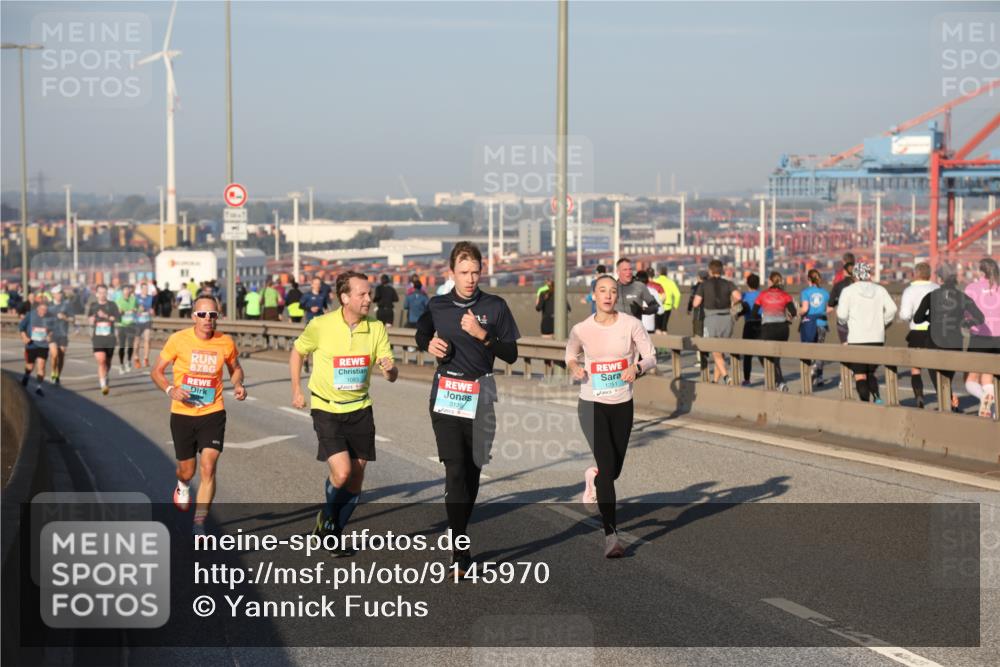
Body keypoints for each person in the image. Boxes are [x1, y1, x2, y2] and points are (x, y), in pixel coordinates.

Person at [415, 242, 520, 577]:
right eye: (464, 272)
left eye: (475, 272)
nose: (470, 278)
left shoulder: (495, 306)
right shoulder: (439, 305)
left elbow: (512, 354)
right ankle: (460, 546)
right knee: (456, 468)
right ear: (451, 274)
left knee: (473, 472)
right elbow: (421, 333)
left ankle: (458, 528)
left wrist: (482, 334)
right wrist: (427, 343)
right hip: (446, 392)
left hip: (482, 392)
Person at [290, 271, 397, 552]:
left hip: (360, 408)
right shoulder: (321, 325)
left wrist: (390, 370)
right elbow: (298, 351)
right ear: (345, 297)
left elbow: (390, 369)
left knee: (357, 477)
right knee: (342, 473)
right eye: (362, 294)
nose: (368, 298)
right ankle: (328, 522)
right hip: (327, 408)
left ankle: (331, 528)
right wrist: (296, 390)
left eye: (369, 293)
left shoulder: (376, 328)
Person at [566, 274, 656, 558]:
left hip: (622, 403)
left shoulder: (631, 324)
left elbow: (651, 356)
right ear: (594, 295)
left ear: (617, 296)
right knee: (608, 468)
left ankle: (593, 476)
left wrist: (637, 369)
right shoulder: (582, 328)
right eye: (602, 290)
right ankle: (611, 536)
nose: (608, 295)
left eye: (613, 291)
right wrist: (575, 368)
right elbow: (569, 354)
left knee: (612, 471)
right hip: (591, 403)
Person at [151, 295, 247, 536]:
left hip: (212, 412)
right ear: (193, 316)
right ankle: (182, 485)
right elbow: (157, 371)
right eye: (202, 314)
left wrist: (238, 384)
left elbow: (236, 369)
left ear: (217, 317)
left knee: (208, 466)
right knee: (187, 470)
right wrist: (171, 389)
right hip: (183, 413)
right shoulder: (178, 340)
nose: (207, 319)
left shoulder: (225, 342)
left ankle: (200, 521)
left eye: (212, 315)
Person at [913, 263, 984, 414]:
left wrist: (930, 316)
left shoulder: (931, 296)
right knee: (947, 378)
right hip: (954, 343)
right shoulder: (962, 296)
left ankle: (948, 405)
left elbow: (917, 319)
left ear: (940, 279)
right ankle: (950, 404)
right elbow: (980, 317)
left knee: (937, 379)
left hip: (934, 342)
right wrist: (966, 322)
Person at [835, 262, 897, 403]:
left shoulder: (848, 291)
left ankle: (866, 404)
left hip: (857, 339)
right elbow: (892, 309)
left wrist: (845, 322)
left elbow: (841, 315)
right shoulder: (880, 290)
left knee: (860, 375)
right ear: (869, 274)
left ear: (854, 275)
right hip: (877, 338)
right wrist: (883, 322)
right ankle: (877, 397)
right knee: (870, 372)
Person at [691, 260, 741, 384]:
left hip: (711, 319)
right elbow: (738, 296)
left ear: (710, 271)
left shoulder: (704, 285)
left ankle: (726, 376)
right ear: (721, 270)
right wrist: (732, 303)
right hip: (727, 319)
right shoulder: (728, 283)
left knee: (715, 351)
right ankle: (714, 381)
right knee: (720, 351)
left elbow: (696, 303)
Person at [898, 262, 939, 409]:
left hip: (917, 332)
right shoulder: (937, 288)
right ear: (929, 274)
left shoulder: (909, 290)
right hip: (936, 333)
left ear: (916, 274)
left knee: (916, 369)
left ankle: (919, 397)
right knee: (937, 368)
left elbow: (905, 314)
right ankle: (945, 397)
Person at [964, 257, 1000, 418]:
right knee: (988, 375)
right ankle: (992, 411)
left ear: (981, 271)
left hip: (980, 336)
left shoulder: (972, 288)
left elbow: (965, 313)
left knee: (971, 378)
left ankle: (985, 398)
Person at [754, 271, 796, 392]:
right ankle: (779, 381)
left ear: (771, 281)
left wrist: (764, 316)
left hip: (768, 328)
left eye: (768, 280)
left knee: (762, 354)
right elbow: (793, 312)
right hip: (783, 329)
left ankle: (779, 381)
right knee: (776, 357)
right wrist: (787, 318)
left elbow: (754, 312)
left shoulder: (762, 295)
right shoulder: (785, 295)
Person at [799, 269, 831, 387]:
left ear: (809, 279)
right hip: (822, 324)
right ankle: (820, 376)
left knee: (809, 349)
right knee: (820, 350)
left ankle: (812, 369)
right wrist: (821, 312)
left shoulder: (805, 292)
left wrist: (798, 312)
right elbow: (830, 309)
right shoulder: (825, 293)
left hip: (809, 324)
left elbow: (805, 309)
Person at [87, 284, 120, 395]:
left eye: (104, 293)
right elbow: (90, 320)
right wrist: (91, 320)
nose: (102, 295)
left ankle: (105, 375)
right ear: (96, 294)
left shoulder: (112, 305)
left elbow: (118, 318)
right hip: (98, 338)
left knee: (108, 362)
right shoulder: (93, 306)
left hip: (110, 338)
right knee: (101, 361)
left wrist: (106, 316)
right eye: (100, 293)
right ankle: (103, 385)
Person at [19, 299, 56, 396]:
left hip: (43, 345)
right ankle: (26, 375)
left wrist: (50, 335)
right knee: (30, 366)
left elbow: (53, 329)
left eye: (45, 310)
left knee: (41, 365)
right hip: (31, 344)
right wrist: (24, 337)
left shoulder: (50, 317)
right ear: (38, 308)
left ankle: (39, 387)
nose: (44, 312)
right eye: (42, 309)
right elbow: (21, 327)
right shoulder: (31, 315)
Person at [737, 273, 762, 386]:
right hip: (761, 324)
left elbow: (738, 307)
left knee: (748, 355)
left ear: (747, 284)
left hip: (749, 325)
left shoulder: (744, 295)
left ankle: (747, 379)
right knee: (763, 353)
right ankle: (774, 377)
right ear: (758, 284)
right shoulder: (762, 295)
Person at [48, 286, 71, 384]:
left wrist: (65, 317)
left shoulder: (66, 306)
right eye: (57, 293)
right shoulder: (48, 306)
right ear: (53, 294)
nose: (59, 295)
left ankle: (58, 375)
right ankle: (53, 371)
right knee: (54, 355)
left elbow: (73, 319)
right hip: (52, 333)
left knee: (61, 355)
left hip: (63, 334)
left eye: (60, 293)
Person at [829, 259, 855, 344]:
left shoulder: (838, 285)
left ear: (844, 271)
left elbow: (830, 303)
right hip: (856, 318)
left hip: (843, 320)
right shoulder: (858, 285)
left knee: (845, 344)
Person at [687, 270, 709, 371]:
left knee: (698, 336)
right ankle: (706, 356)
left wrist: (689, 309)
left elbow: (692, 300)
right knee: (707, 336)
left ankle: (700, 360)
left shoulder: (696, 287)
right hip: (710, 315)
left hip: (699, 315)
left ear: (699, 277)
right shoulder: (710, 287)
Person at [114, 284, 138, 374]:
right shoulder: (118, 300)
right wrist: (119, 311)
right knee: (122, 346)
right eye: (125, 290)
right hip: (121, 325)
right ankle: (121, 364)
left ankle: (128, 361)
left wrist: (136, 309)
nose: (127, 291)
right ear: (122, 291)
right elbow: (115, 312)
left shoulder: (134, 299)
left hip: (131, 325)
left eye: (128, 289)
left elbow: (138, 308)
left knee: (131, 345)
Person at [653, 268, 681, 333]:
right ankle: (665, 341)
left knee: (657, 327)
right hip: (667, 306)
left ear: (659, 273)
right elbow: (678, 294)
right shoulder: (671, 282)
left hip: (657, 306)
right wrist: (675, 305)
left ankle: (658, 341)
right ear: (666, 274)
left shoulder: (655, 281)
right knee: (664, 327)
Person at [136, 282, 156, 368]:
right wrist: (139, 310)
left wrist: (152, 312)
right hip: (137, 321)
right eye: (144, 288)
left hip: (147, 321)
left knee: (147, 339)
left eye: (146, 289)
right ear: (141, 289)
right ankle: (136, 357)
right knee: (136, 341)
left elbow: (153, 311)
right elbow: (133, 310)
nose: (145, 290)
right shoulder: (136, 298)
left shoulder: (150, 298)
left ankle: (146, 358)